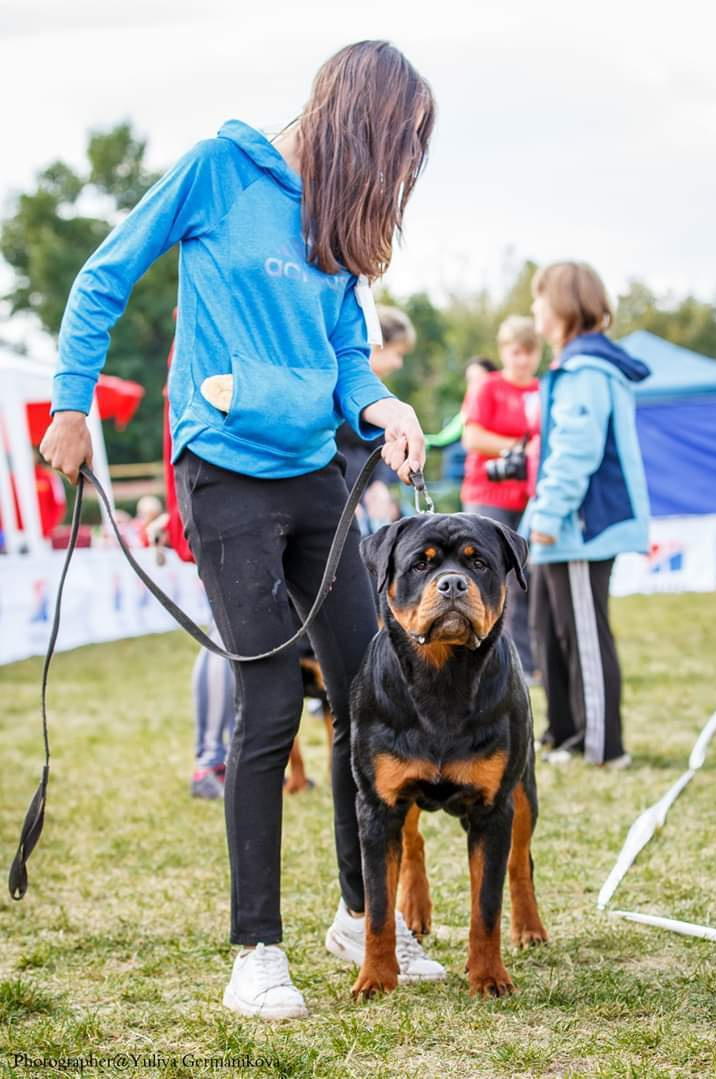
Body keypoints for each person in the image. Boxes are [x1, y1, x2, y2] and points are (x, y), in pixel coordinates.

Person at [39, 40, 444, 1021]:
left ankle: (362, 916)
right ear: (356, 122)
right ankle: (255, 952)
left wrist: (381, 403)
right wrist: (70, 405)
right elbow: (102, 276)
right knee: (266, 703)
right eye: (396, 146)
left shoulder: (338, 217)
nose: (396, 172)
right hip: (221, 473)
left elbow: (350, 350)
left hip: (316, 475)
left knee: (367, 696)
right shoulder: (218, 171)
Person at [524, 261, 650, 768]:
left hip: (580, 526)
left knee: (584, 635)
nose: (533, 308)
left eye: (539, 298)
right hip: (563, 526)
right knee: (551, 630)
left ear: (561, 304)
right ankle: (566, 734)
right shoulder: (577, 366)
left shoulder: (586, 371)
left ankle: (603, 747)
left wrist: (549, 516)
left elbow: (577, 452)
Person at [460, 317, 541, 678]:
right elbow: (472, 437)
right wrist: (520, 449)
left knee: (528, 582)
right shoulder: (489, 387)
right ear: (504, 351)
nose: (521, 360)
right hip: (487, 495)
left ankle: (526, 663)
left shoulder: (541, 390)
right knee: (487, 579)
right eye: (514, 352)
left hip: (529, 497)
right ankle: (488, 660)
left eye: (528, 353)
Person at [336, 304, 415, 531]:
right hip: (339, 489)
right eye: (397, 354)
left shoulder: (384, 401)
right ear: (377, 346)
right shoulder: (337, 391)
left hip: (369, 492)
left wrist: (379, 485)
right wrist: (345, 497)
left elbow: (382, 447)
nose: (399, 363)